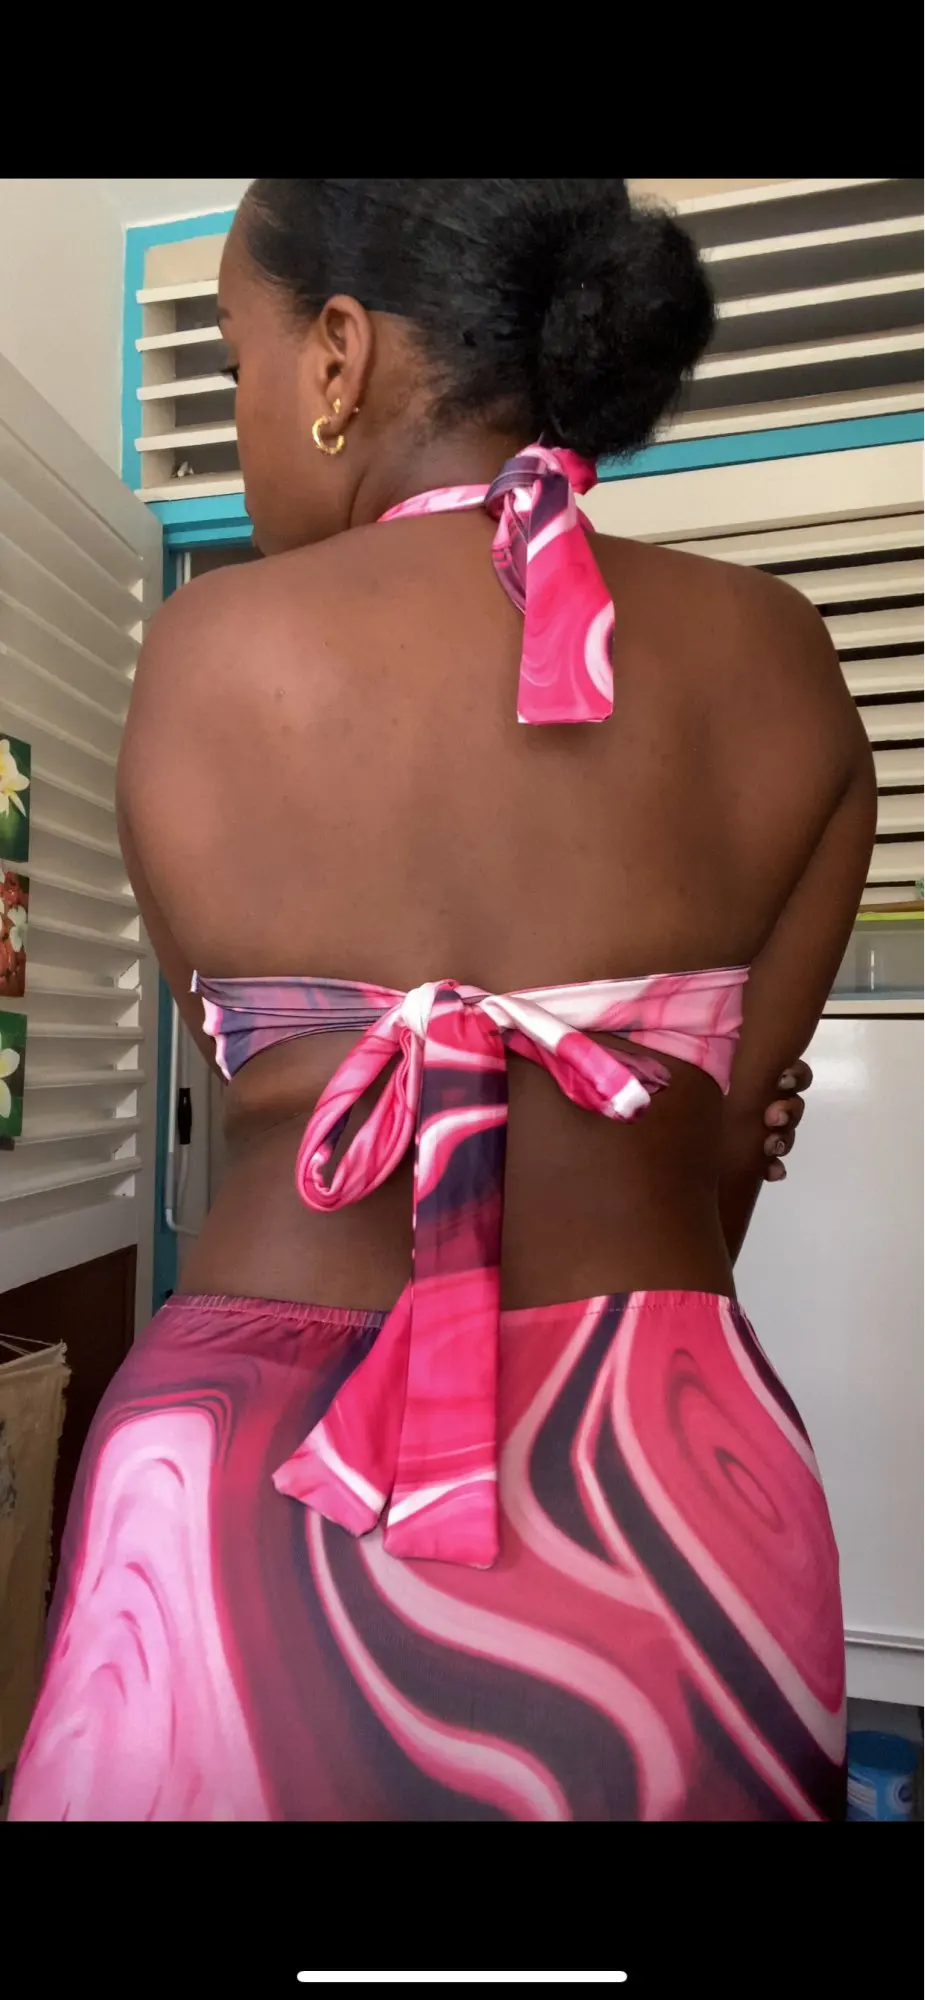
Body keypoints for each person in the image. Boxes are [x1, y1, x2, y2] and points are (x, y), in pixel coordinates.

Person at [9, 179, 874, 1824]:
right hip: (664, 1485)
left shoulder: (209, 650)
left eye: (238, 360)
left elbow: (252, 1097)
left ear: (339, 355)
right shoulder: (780, 654)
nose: (245, 413)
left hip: (246, 1486)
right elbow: (715, 1176)